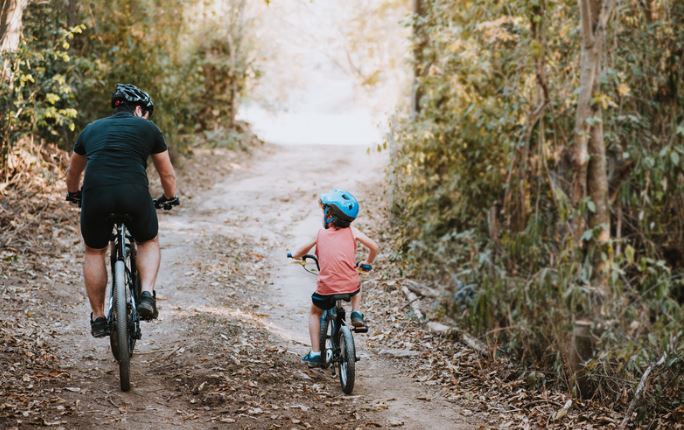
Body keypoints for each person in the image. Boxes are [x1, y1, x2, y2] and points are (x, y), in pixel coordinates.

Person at [65, 83, 179, 338]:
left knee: (94, 250)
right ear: (139, 109)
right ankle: (147, 294)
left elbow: (73, 173)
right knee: (148, 239)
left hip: (96, 195)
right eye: (146, 112)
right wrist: (170, 197)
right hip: (134, 193)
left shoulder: (91, 129)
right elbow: (167, 173)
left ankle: (98, 317)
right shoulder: (148, 128)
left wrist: (74, 193)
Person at [290, 189, 379, 367]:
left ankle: (315, 353)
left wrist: (295, 256)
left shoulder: (320, 234)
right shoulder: (353, 232)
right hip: (350, 286)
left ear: (328, 214)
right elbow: (374, 247)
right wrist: (367, 263)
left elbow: (299, 252)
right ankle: (356, 312)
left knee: (315, 312)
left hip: (326, 289)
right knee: (356, 283)